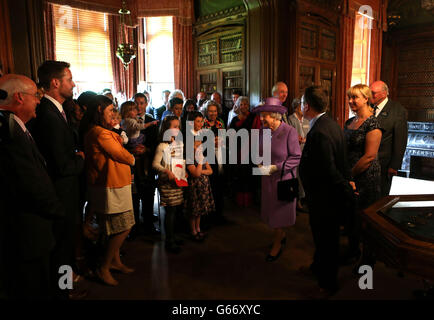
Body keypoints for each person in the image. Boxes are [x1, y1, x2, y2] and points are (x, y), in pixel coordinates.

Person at [0, 74, 65, 299]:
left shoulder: (17, 127)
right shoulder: (8, 133)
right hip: (28, 231)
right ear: (19, 97)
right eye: (35, 95)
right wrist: (58, 211)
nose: (39, 100)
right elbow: (31, 183)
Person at [28, 60, 85, 299]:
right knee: (60, 248)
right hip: (60, 194)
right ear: (55, 82)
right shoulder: (48, 115)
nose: (73, 85)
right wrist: (81, 159)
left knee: (64, 244)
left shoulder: (55, 111)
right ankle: (63, 293)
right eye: (69, 80)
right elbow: (61, 165)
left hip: (65, 193)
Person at [299, 86, 355, 298]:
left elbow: (329, 169)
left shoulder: (320, 131)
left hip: (324, 198)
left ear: (306, 106)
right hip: (326, 195)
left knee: (326, 241)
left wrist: (346, 187)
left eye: (302, 102)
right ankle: (317, 267)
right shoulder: (330, 123)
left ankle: (327, 283)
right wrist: (348, 181)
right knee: (322, 238)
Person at [83, 95, 136, 286]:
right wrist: (131, 158)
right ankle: (103, 267)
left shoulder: (102, 131)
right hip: (110, 186)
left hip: (115, 184)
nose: (114, 114)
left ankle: (115, 262)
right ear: (99, 112)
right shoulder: (101, 133)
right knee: (123, 226)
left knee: (119, 226)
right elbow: (121, 154)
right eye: (110, 110)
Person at [252, 97, 301, 262]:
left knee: (279, 215)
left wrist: (276, 167)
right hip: (266, 180)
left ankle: (277, 244)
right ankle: (280, 236)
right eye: (261, 115)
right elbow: (258, 152)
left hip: (283, 181)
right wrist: (258, 162)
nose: (261, 119)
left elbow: (296, 157)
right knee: (271, 213)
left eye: (264, 115)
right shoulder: (263, 131)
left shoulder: (289, 131)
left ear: (275, 116)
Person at [343, 84, 382, 263]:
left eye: (355, 97)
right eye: (349, 97)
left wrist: (350, 175)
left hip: (366, 178)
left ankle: (368, 260)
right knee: (350, 219)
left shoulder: (373, 123)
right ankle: (352, 251)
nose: (351, 101)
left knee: (365, 222)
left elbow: (369, 157)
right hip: (349, 177)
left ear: (366, 99)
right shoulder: (349, 122)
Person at [152, 116, 186, 253]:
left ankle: (174, 236)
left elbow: (179, 161)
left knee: (177, 209)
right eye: (174, 127)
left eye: (178, 127)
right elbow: (155, 164)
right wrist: (166, 171)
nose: (177, 129)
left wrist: (183, 172)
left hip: (177, 180)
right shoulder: (162, 146)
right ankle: (169, 241)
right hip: (167, 181)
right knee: (170, 211)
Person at [369, 81, 408, 197]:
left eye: (373, 93)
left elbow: (400, 140)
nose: (370, 95)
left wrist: (394, 165)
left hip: (384, 163)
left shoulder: (397, 110)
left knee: (381, 196)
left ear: (384, 93)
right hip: (370, 161)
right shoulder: (369, 107)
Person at [228, 96, 261, 207]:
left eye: (245, 104)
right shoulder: (234, 119)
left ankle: (249, 200)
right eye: (241, 104)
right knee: (239, 175)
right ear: (237, 106)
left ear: (248, 106)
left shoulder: (253, 118)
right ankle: (240, 200)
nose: (243, 106)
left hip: (251, 151)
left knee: (250, 175)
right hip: (238, 152)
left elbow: (257, 133)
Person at [185, 138, 215, 242]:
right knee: (194, 211)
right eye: (197, 146)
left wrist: (201, 169)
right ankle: (193, 231)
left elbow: (210, 171)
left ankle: (198, 229)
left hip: (203, 187)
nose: (199, 148)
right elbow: (196, 173)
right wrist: (201, 165)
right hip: (195, 188)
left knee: (200, 210)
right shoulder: (189, 159)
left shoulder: (202, 157)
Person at [203, 100, 226, 224]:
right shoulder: (202, 123)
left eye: (215, 111)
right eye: (210, 111)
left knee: (219, 186)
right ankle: (208, 216)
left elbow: (224, 137)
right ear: (206, 112)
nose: (213, 113)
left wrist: (221, 141)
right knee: (209, 186)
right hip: (207, 157)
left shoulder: (220, 122)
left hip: (220, 154)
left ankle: (219, 214)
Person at [287, 98, 310, 210]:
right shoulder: (290, 119)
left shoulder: (306, 120)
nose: (304, 108)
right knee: (297, 177)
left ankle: (304, 199)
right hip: (295, 152)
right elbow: (291, 134)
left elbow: (309, 134)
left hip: (306, 152)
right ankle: (297, 202)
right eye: (302, 106)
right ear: (296, 107)